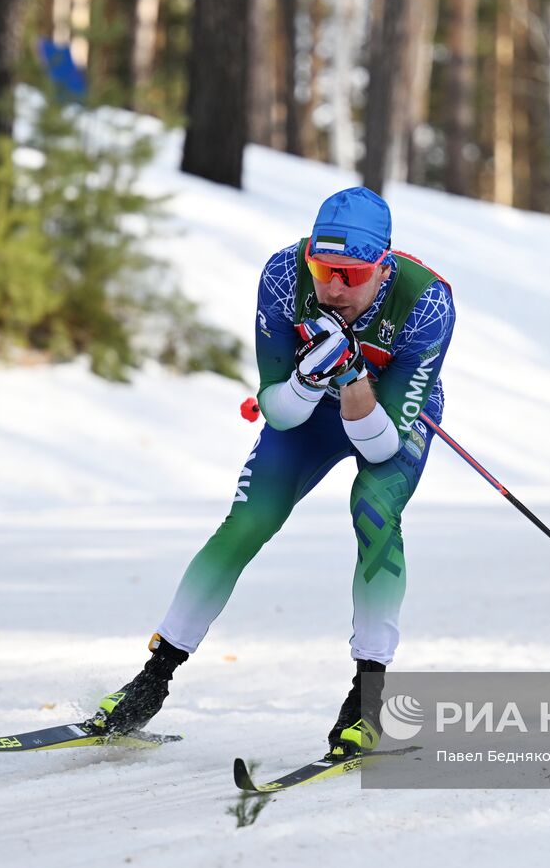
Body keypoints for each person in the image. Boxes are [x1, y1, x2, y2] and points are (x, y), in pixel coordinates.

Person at [86, 186, 456, 759]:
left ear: (383, 269)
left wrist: (353, 376)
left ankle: (368, 698)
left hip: (382, 417)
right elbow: (280, 412)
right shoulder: (286, 275)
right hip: (308, 413)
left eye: (351, 275)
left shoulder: (426, 304)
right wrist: (310, 378)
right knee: (247, 521)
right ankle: (151, 678)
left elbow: (382, 450)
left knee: (375, 511)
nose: (332, 287)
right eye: (323, 268)